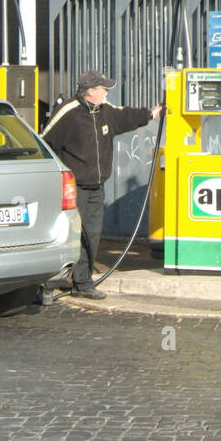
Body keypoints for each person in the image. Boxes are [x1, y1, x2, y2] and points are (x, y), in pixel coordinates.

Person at [43, 71, 162, 299]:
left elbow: (125, 116)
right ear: (90, 91)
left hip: (97, 186)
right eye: (104, 89)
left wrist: (152, 114)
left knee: (92, 234)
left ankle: (83, 283)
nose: (107, 92)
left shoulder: (105, 111)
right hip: (73, 188)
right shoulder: (68, 113)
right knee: (66, 235)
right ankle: (49, 284)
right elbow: (46, 141)